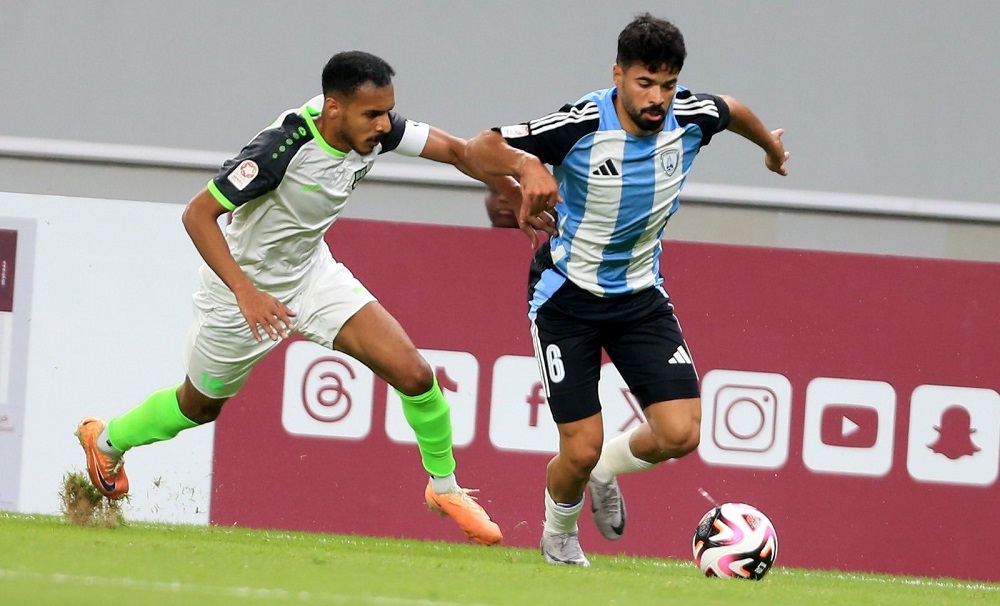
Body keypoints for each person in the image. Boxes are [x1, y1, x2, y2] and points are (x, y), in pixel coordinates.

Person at [75, 50, 523, 546]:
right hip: (240, 293)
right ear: (334, 108)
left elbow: (461, 152)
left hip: (312, 274)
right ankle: (108, 440)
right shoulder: (281, 149)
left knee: (415, 373)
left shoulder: (379, 128)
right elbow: (197, 214)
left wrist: (512, 187)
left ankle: (445, 488)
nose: (384, 125)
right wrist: (246, 294)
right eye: (371, 115)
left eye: (387, 112)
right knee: (198, 407)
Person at [463, 14, 790, 565]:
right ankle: (559, 536)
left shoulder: (691, 115)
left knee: (681, 433)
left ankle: (605, 471)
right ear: (618, 74)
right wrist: (526, 167)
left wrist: (770, 147)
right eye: (645, 83)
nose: (658, 97)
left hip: (640, 297)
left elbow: (733, 110)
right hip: (566, 297)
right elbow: (480, 147)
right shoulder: (581, 124)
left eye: (668, 84)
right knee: (579, 445)